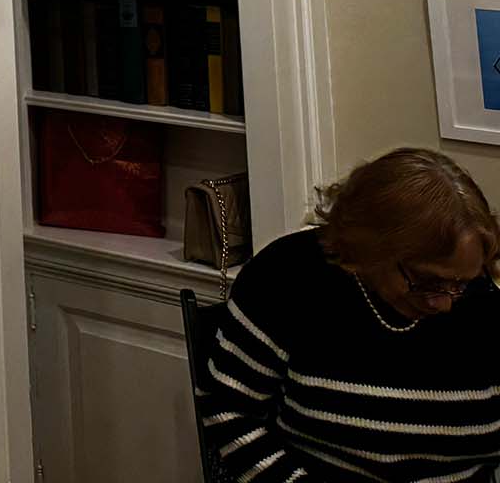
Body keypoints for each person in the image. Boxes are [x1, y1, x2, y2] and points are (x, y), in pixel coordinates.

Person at [203, 147, 500, 482]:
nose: (445, 303)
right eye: (427, 281)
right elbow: (228, 410)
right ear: (371, 247)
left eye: (461, 283)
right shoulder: (289, 277)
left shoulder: (484, 302)